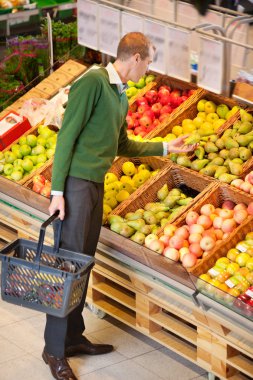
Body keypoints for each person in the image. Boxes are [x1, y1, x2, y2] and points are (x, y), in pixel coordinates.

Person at [44, 32, 197, 380]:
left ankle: (73, 337)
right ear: (136, 58)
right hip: (75, 186)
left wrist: (165, 148)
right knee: (67, 265)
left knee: (83, 263)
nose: (148, 69)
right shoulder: (94, 82)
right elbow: (67, 135)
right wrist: (57, 192)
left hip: (95, 185)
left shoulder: (119, 94)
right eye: (148, 62)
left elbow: (123, 144)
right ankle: (53, 350)